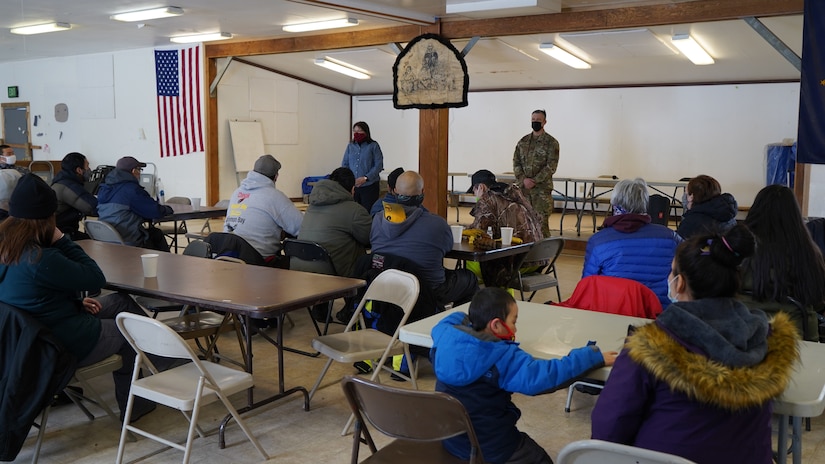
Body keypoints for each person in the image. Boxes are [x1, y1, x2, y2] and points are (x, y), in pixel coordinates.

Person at [591, 224, 799, 463]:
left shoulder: (652, 346)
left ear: (679, 283)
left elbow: (608, 428)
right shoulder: (768, 340)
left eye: (671, 272)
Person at [0, 174, 157, 422]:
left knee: (120, 302)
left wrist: (73, 302)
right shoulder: (41, 258)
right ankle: (134, 406)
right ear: (47, 219)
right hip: (56, 344)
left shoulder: (7, 249)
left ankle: (163, 360)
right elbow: (95, 278)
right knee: (130, 333)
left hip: (27, 340)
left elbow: (31, 298)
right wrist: (62, 239)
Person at [432, 287, 617, 463]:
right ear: (496, 324)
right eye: (513, 321)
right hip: (490, 444)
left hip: (452, 439)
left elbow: (446, 323)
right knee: (539, 459)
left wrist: (470, 318)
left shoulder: (446, 337)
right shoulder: (501, 357)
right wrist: (591, 357)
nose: (515, 329)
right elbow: (545, 376)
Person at [370, 171, 478, 306]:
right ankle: (453, 323)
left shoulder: (378, 219)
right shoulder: (437, 224)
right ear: (422, 192)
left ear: (394, 191)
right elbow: (447, 247)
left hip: (385, 287)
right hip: (428, 289)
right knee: (469, 279)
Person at [740, 184, 825, 341]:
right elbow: (817, 299)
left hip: (741, 337)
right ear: (795, 215)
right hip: (795, 343)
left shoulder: (737, 249)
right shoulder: (808, 253)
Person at [582, 178, 681, 309]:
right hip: (660, 313)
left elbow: (586, 286)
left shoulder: (598, 241)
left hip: (613, 313)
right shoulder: (671, 237)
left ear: (614, 204)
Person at [467, 169, 544, 287]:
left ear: (481, 187)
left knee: (471, 262)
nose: (474, 195)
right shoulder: (517, 196)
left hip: (513, 265)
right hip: (537, 261)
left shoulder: (488, 199)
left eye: (474, 190)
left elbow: (477, 231)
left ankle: (478, 298)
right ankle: (505, 298)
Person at [224, 154, 302, 267]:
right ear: (276, 176)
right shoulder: (274, 196)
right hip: (259, 263)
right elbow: (301, 227)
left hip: (230, 258)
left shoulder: (237, 192)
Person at [295, 167, 371, 278]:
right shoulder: (354, 210)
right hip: (334, 276)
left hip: (300, 272)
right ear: (353, 189)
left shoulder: (312, 207)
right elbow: (370, 237)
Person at [97, 156, 173, 252]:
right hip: (127, 240)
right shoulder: (131, 189)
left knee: (153, 233)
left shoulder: (104, 189)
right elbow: (155, 211)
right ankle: (166, 264)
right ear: (133, 171)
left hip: (105, 240)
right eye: (140, 170)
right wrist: (168, 209)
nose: (140, 173)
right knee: (156, 234)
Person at [513, 109, 559, 237]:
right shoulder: (523, 142)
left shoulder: (551, 143)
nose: (535, 122)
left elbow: (551, 166)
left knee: (541, 225)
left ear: (544, 122)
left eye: (538, 120)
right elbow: (516, 162)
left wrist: (534, 181)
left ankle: (543, 254)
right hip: (524, 191)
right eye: (533, 120)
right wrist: (523, 180)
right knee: (523, 223)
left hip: (541, 192)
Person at [52, 152, 98, 240]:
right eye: (87, 166)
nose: (90, 170)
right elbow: (91, 207)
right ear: (79, 170)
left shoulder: (61, 180)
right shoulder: (69, 186)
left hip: (58, 231)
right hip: (62, 234)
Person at [676, 174, 737, 239]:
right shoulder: (730, 218)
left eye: (686, 193)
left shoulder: (691, 222)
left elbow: (679, 244)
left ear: (691, 197)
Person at [342, 121, 384, 211]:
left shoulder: (373, 146)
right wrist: (350, 180)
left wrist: (365, 178)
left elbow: (378, 165)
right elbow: (345, 164)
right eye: (355, 131)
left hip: (370, 185)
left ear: (366, 132)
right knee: (354, 212)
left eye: (359, 131)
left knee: (368, 211)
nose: (357, 133)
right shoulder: (350, 146)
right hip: (354, 186)